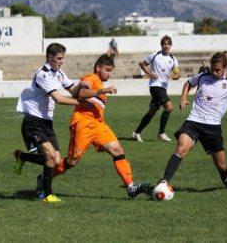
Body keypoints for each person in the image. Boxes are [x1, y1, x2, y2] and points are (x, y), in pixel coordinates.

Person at [45, 54, 150, 199]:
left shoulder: (99, 82)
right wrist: (103, 90)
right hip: (84, 123)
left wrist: (103, 89)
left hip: (99, 124)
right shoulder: (91, 78)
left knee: (117, 150)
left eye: (111, 70)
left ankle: (130, 186)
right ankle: (44, 179)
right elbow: (80, 94)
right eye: (107, 70)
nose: (109, 73)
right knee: (72, 161)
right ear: (98, 68)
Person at [157, 52, 227, 189]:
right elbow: (188, 83)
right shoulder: (203, 77)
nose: (214, 72)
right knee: (181, 148)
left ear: (225, 68)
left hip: (212, 127)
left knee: (221, 165)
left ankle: (226, 178)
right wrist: (183, 98)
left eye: (218, 70)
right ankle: (164, 181)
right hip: (193, 121)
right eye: (212, 69)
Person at [13, 43, 89, 203]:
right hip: (33, 120)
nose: (61, 61)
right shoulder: (43, 74)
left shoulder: (59, 73)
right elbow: (59, 99)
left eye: (63, 58)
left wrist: (81, 85)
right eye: (59, 58)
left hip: (47, 122)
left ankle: (22, 157)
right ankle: (48, 195)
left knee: (55, 161)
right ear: (50, 57)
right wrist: (81, 104)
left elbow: (73, 90)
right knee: (49, 156)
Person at [131, 35, 180, 142]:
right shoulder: (154, 55)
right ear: (161, 45)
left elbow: (177, 74)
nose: (166, 46)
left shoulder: (173, 59)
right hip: (155, 86)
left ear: (171, 45)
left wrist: (173, 76)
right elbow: (143, 65)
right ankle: (161, 133)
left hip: (163, 87)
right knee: (169, 107)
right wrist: (151, 74)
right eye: (164, 44)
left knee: (152, 111)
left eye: (168, 44)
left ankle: (136, 133)